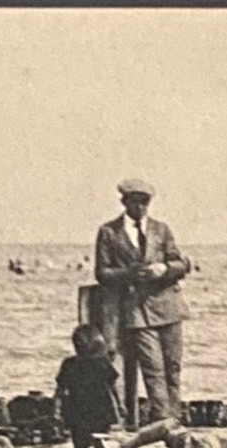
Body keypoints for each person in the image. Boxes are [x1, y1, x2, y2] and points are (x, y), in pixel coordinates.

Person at [94, 178, 193, 426]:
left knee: (173, 367)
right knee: (153, 369)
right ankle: (163, 421)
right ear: (124, 202)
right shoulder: (109, 232)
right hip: (136, 310)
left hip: (168, 306)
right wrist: (130, 273)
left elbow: (180, 263)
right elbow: (102, 272)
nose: (140, 208)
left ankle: (174, 419)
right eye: (135, 202)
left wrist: (163, 268)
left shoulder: (161, 230)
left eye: (145, 203)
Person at [54, 325, 118, 448]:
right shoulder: (101, 362)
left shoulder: (71, 363)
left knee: (86, 444)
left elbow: (60, 389)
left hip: (82, 407)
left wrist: (56, 407)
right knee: (93, 442)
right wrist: (119, 406)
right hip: (95, 407)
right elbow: (112, 387)